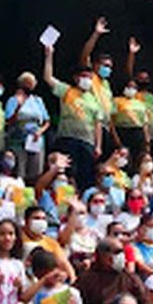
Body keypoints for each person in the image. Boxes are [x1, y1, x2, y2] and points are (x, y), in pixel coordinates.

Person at [42, 39, 106, 192]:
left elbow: (98, 124)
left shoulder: (94, 99)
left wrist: (98, 146)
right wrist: (49, 56)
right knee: (66, 173)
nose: (87, 80)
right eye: (84, 76)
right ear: (76, 78)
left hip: (87, 142)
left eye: (90, 77)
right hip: (67, 139)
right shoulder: (67, 91)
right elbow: (48, 78)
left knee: (85, 177)